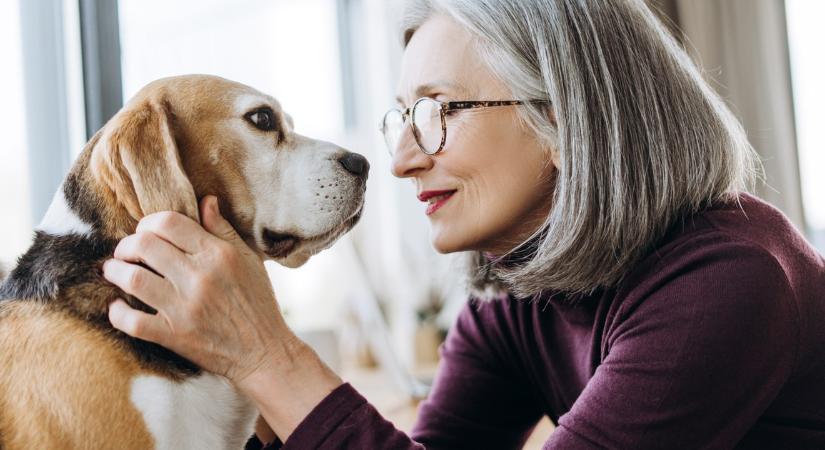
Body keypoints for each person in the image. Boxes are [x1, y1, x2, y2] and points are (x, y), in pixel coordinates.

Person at [103, 0, 825, 448]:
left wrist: (265, 355)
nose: (401, 161)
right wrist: (239, 370)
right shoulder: (514, 295)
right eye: (403, 117)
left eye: (438, 110)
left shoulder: (728, 282)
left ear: (562, 120)